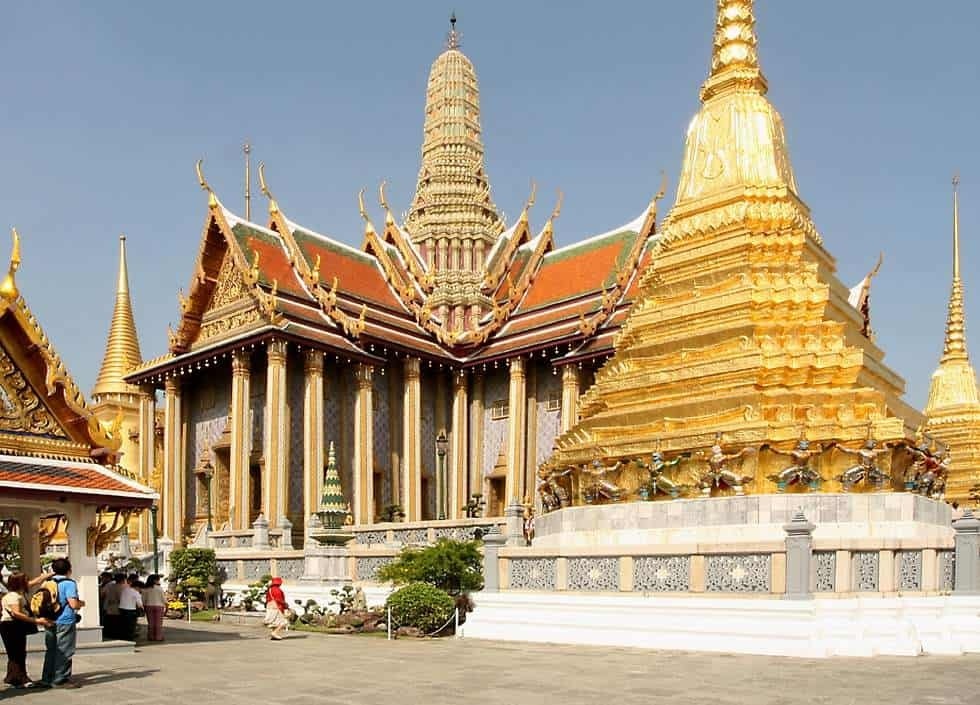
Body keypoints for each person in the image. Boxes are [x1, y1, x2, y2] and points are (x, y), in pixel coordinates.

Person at [0, 572, 54, 688]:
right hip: (11, 626)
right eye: (25, 580)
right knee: (17, 653)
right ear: (19, 582)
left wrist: (51, 572)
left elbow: (37, 580)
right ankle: (20, 679)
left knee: (16, 653)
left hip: (12, 626)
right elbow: (17, 613)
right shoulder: (14, 597)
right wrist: (36, 621)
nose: (27, 582)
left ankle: (12, 677)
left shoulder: (17, 593)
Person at [40, 557, 84, 689]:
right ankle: (60, 679)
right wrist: (82, 603)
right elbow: (73, 604)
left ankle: (47, 678)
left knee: (51, 650)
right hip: (65, 620)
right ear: (69, 570)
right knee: (64, 650)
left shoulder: (48, 582)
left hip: (49, 619)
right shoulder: (69, 583)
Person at [118, 574, 143, 642]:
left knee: (123, 625)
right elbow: (140, 604)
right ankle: (129, 640)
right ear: (138, 587)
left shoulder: (125, 590)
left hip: (122, 609)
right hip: (130, 611)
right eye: (140, 588)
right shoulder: (136, 593)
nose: (140, 590)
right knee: (131, 626)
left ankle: (123, 639)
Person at [141, 574, 166, 642]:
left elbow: (143, 599)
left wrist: (142, 606)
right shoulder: (159, 588)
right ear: (155, 580)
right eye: (158, 579)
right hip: (159, 606)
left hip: (148, 606)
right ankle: (158, 637)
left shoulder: (145, 588)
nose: (159, 581)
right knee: (158, 623)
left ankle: (151, 636)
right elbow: (163, 599)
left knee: (150, 622)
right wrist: (166, 605)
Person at [100, 573, 123, 640]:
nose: (102, 579)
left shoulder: (108, 586)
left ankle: (109, 634)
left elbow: (102, 595)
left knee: (110, 621)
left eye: (103, 578)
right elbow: (120, 598)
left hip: (108, 606)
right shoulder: (121, 587)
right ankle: (115, 635)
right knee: (116, 622)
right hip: (117, 607)